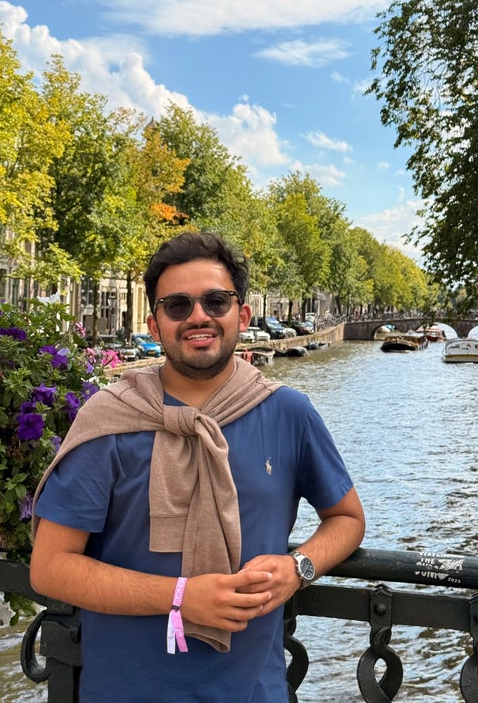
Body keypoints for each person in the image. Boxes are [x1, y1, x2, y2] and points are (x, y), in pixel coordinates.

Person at [30, 231, 365, 703]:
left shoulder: (289, 413)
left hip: (254, 693)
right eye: (178, 306)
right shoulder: (108, 420)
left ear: (242, 315)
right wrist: (180, 597)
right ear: (155, 325)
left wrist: (299, 568)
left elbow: (347, 519)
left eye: (216, 301)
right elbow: (50, 568)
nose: (198, 317)